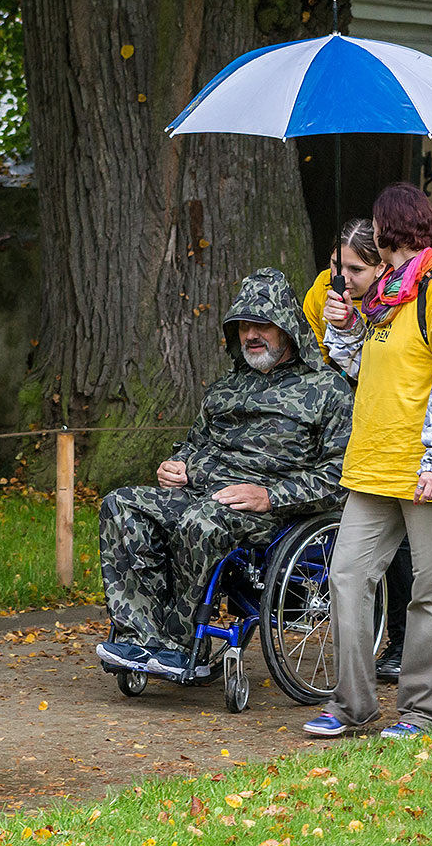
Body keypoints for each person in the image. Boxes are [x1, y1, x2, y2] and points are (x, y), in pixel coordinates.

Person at [96, 268, 353, 680]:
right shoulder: (225, 388)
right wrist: (175, 465)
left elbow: (339, 475)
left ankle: (180, 646)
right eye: (243, 325)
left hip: (270, 510)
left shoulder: (326, 390)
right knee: (122, 504)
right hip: (201, 492)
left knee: (202, 522)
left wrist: (270, 496)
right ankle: (139, 638)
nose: (251, 334)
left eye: (262, 324)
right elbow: (193, 443)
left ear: (287, 327)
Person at [306, 183, 432, 741]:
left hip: (428, 467)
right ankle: (352, 704)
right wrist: (346, 328)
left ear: (387, 231)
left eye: (376, 232)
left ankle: (425, 710)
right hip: (375, 464)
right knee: (348, 576)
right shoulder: (386, 296)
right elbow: (366, 370)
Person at [302, 219, 389, 365]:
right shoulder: (322, 285)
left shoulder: (393, 297)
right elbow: (312, 355)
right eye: (336, 265)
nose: (343, 278)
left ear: (380, 267)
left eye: (356, 269)